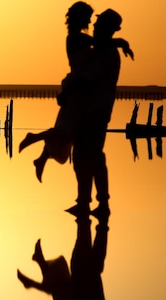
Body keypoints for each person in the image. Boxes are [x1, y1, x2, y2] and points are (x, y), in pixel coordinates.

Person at [19, 2, 133, 183]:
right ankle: (36, 137)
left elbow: (100, 45)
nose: (90, 22)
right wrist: (121, 42)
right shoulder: (77, 38)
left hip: (78, 88)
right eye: (88, 18)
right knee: (69, 132)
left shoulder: (79, 38)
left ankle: (41, 158)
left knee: (67, 128)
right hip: (77, 88)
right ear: (80, 18)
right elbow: (101, 42)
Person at [66, 9, 125, 217]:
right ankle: (84, 201)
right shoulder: (100, 49)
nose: (95, 26)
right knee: (82, 156)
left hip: (96, 111)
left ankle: (101, 204)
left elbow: (87, 78)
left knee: (93, 156)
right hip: (89, 110)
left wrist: (66, 93)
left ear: (108, 28)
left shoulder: (106, 53)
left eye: (99, 23)